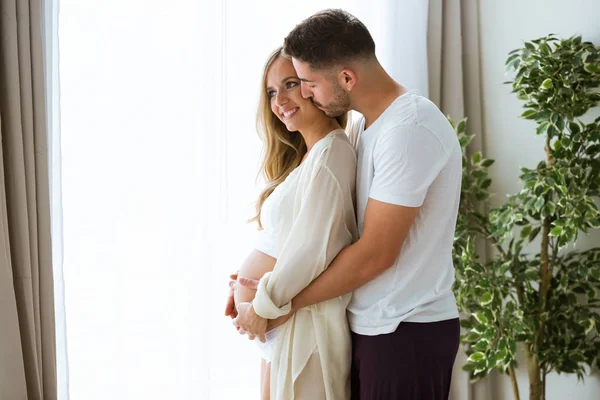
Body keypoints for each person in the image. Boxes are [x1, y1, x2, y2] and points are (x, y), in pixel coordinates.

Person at [233, 9, 462, 400]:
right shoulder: (366, 127)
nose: (305, 94)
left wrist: (278, 304)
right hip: (372, 324)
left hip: (404, 328)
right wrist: (251, 285)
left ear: (346, 78)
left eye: (307, 83)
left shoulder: (409, 130)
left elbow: (375, 254)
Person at [227, 47, 358, 400]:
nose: (279, 100)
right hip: (277, 324)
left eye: (289, 84)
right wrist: (243, 285)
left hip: (298, 323)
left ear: (314, 86)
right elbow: (284, 240)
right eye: (271, 92)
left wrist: (260, 306)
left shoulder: (333, 153)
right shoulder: (306, 157)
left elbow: (313, 249)